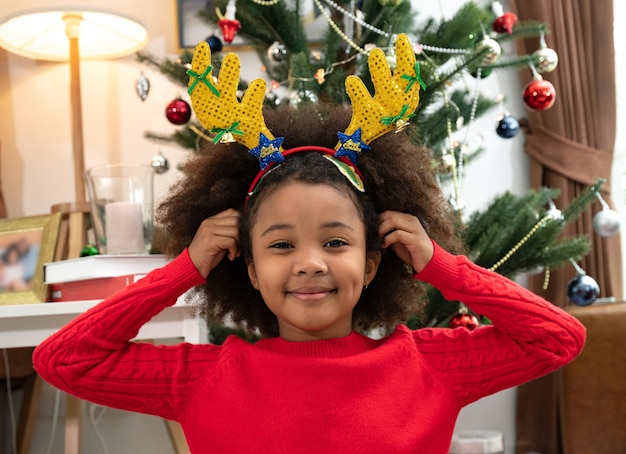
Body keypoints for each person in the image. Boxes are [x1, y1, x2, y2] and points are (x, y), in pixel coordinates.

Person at [33, 35, 585, 453]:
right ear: (248, 268)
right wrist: (184, 270)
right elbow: (62, 360)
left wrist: (442, 266)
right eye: (279, 246)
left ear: (372, 263)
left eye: (336, 241)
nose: (310, 262)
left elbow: (558, 339)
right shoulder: (202, 378)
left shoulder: (427, 365)